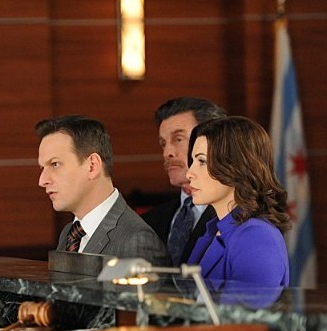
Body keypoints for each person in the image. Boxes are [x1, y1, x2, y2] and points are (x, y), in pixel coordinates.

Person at [37, 115, 168, 265]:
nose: (42, 181)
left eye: (55, 164)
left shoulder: (137, 241)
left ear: (92, 166)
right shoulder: (69, 233)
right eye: (42, 168)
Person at [186, 116, 291, 298]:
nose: (189, 173)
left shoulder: (256, 236)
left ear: (236, 167)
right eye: (193, 161)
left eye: (202, 161)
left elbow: (246, 313)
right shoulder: (214, 229)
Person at [142, 97, 227, 266]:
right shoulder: (149, 221)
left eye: (178, 139)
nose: (167, 153)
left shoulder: (240, 218)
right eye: (163, 144)